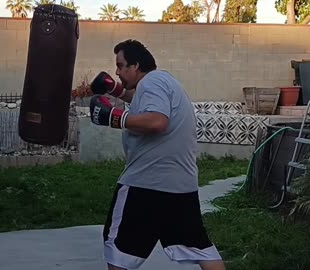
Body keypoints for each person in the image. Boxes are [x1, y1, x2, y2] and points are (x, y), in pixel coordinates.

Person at [88, 39, 226, 270]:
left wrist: (114, 117)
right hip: (180, 187)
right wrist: (115, 89)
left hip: (146, 185)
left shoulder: (152, 82)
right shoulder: (161, 82)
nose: (117, 71)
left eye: (121, 66)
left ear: (136, 66)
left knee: (118, 252)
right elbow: (142, 102)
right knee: (200, 248)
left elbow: (157, 121)